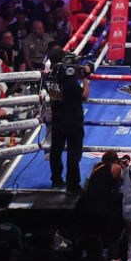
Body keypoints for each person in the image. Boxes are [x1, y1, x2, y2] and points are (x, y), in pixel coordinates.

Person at [47, 50, 88, 192]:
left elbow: (56, 95)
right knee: (73, 154)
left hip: (58, 119)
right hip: (72, 120)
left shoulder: (51, 76)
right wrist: (85, 80)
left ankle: (56, 181)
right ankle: (73, 185)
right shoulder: (68, 80)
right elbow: (84, 96)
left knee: (56, 151)